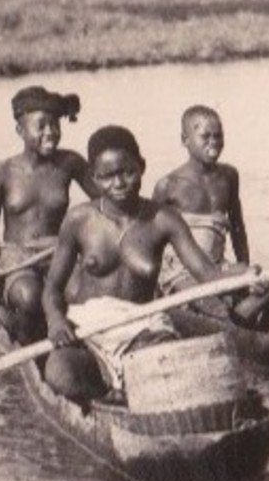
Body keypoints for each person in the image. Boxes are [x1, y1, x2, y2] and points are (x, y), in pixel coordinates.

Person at [41, 125, 246, 403]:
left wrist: (246, 279)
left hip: (143, 328)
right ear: (94, 178)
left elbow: (206, 274)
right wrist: (56, 321)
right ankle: (110, 395)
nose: (119, 184)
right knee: (59, 373)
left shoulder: (163, 219)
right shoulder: (80, 220)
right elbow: (52, 288)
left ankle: (131, 393)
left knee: (180, 367)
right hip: (89, 330)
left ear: (142, 167)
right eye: (108, 177)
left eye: (128, 172)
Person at [0, 86, 97, 341]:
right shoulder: (1, 173)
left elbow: (105, 201)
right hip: (17, 258)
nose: (50, 133)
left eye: (54, 125)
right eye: (40, 126)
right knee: (30, 298)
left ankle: (75, 345)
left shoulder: (70, 163)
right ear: (20, 131)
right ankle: (22, 333)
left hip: (58, 251)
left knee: (80, 294)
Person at [151, 105, 269, 330]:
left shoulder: (229, 176)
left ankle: (245, 329)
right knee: (216, 309)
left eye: (218, 135)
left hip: (218, 267)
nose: (214, 142)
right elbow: (151, 240)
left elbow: (237, 227)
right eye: (205, 136)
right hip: (182, 272)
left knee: (267, 282)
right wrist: (154, 291)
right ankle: (232, 325)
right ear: (185, 139)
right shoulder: (168, 186)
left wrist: (244, 268)